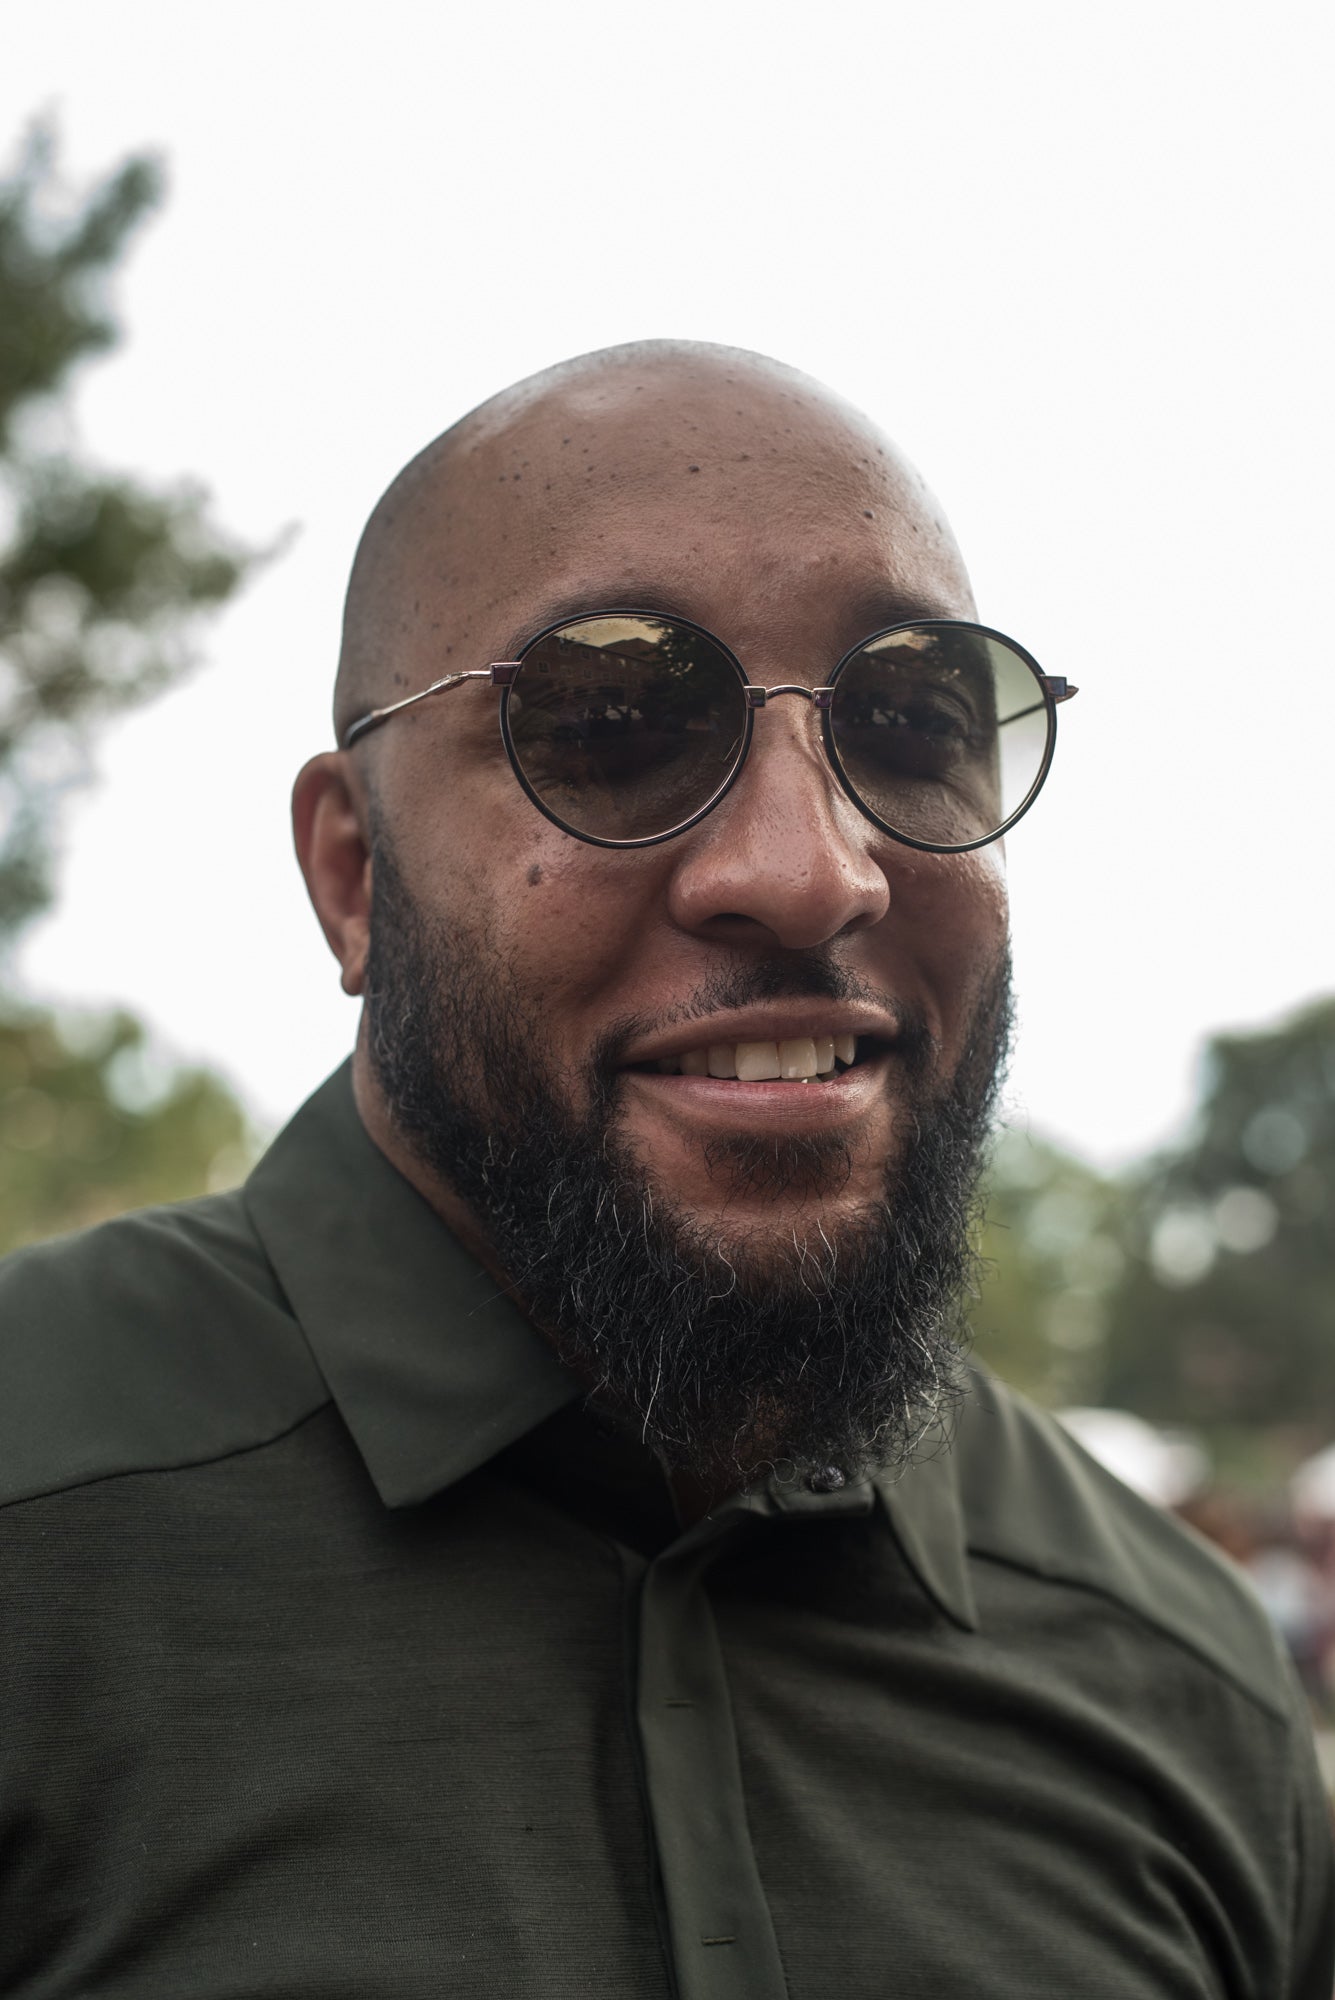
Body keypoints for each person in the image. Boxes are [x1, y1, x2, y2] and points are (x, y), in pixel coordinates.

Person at [1, 342, 1331, 1997]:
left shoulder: (1187, 1685)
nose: (811, 871)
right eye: (613, 722)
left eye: (913, 722)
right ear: (356, 878)